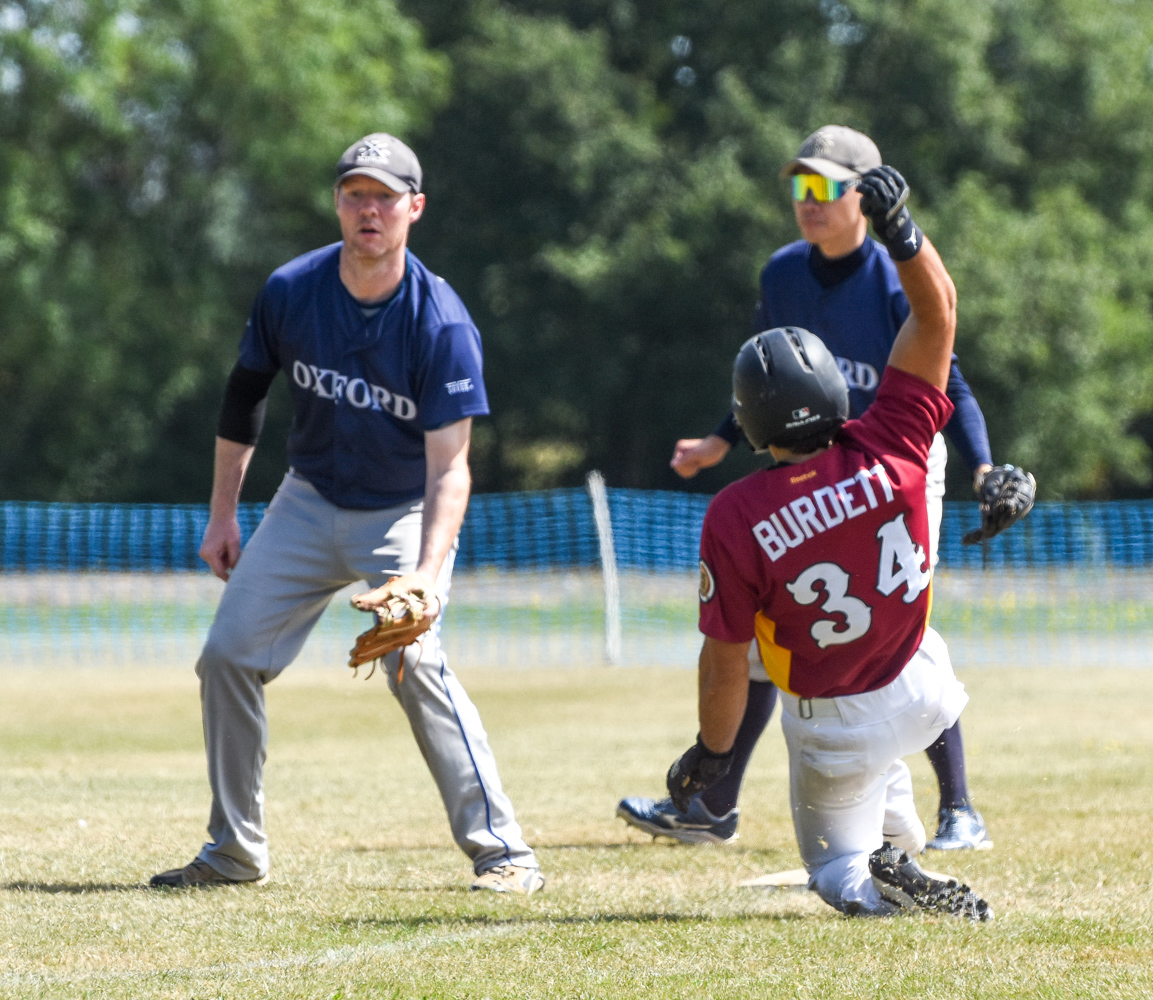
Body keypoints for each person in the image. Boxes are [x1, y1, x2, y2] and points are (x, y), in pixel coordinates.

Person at [150, 134, 543, 895]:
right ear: (337, 202)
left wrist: (424, 576)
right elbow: (244, 396)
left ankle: (505, 854)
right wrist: (223, 516)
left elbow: (450, 468)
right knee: (226, 656)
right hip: (307, 499)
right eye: (355, 193)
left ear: (414, 208)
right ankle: (234, 852)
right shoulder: (292, 290)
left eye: (385, 197)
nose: (369, 209)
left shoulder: (440, 323)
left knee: (414, 661)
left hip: (401, 511)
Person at [619, 126, 993, 852]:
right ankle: (717, 802)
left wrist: (981, 468)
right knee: (771, 626)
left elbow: (949, 370)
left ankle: (958, 808)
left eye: (824, 186)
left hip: (892, 456)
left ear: (865, 195)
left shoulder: (891, 274)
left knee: (895, 614)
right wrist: (720, 440)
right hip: (822, 467)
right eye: (799, 185)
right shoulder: (783, 272)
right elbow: (764, 377)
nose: (808, 201)